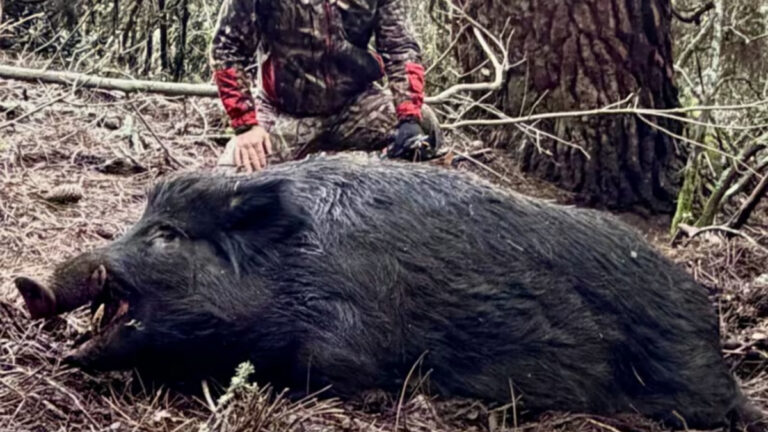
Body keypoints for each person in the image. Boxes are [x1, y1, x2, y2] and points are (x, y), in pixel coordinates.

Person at [209, 0, 443, 173]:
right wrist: (246, 125)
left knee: (423, 127)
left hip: (355, 106)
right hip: (284, 113)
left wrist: (408, 116)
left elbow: (400, 47)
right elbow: (226, 48)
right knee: (231, 175)